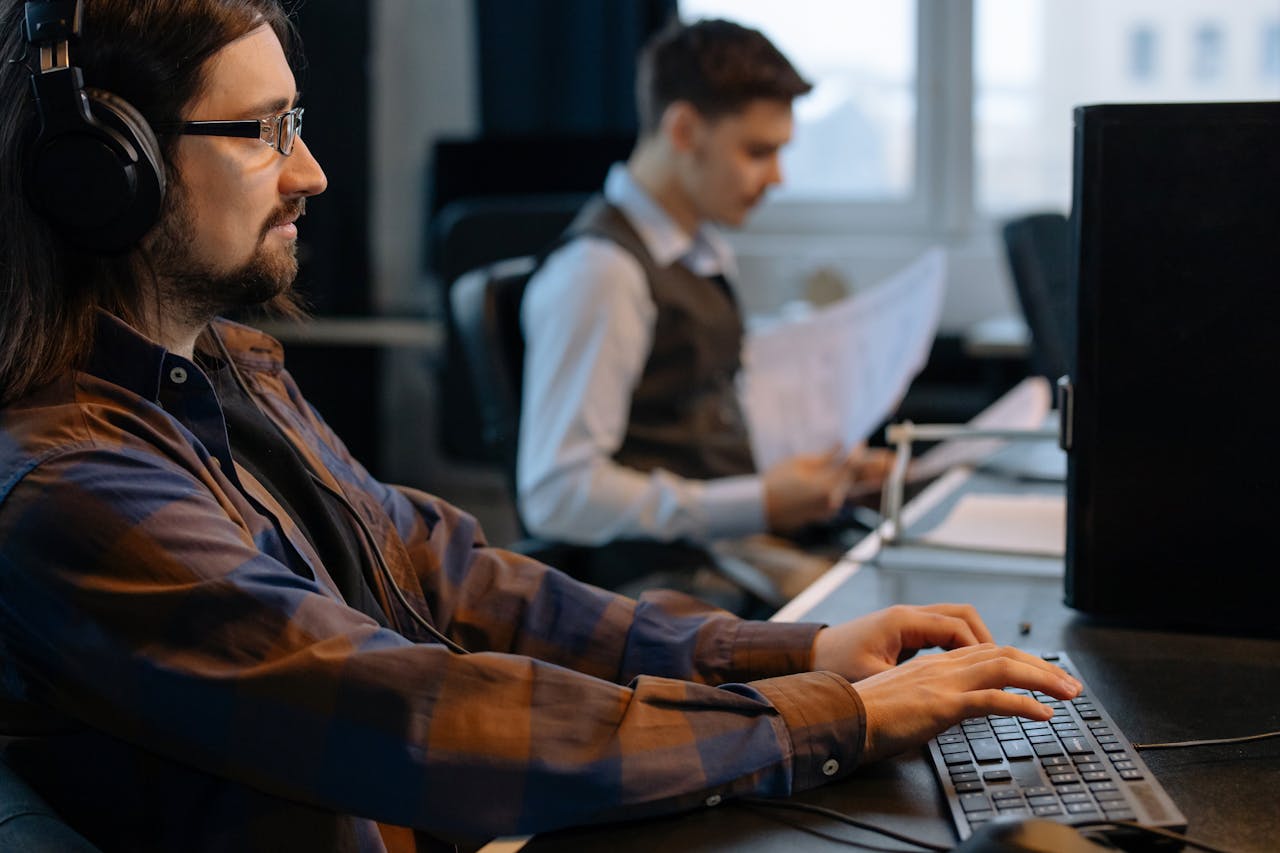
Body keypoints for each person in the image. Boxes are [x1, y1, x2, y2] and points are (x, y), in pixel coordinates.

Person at [0, 2, 1080, 851]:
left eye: (300, 123)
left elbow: (450, 575)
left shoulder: (229, 370)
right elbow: (403, 711)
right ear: (104, 173)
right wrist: (827, 717)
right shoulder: (74, 486)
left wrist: (799, 650)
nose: (310, 171)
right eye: (262, 131)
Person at [518, 19, 893, 600]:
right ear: (685, 130)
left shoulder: (702, 250)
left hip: (727, 549)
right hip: (665, 579)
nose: (777, 177)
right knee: (884, 616)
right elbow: (556, 492)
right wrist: (760, 500)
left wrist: (817, 476)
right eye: (757, 152)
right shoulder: (602, 272)